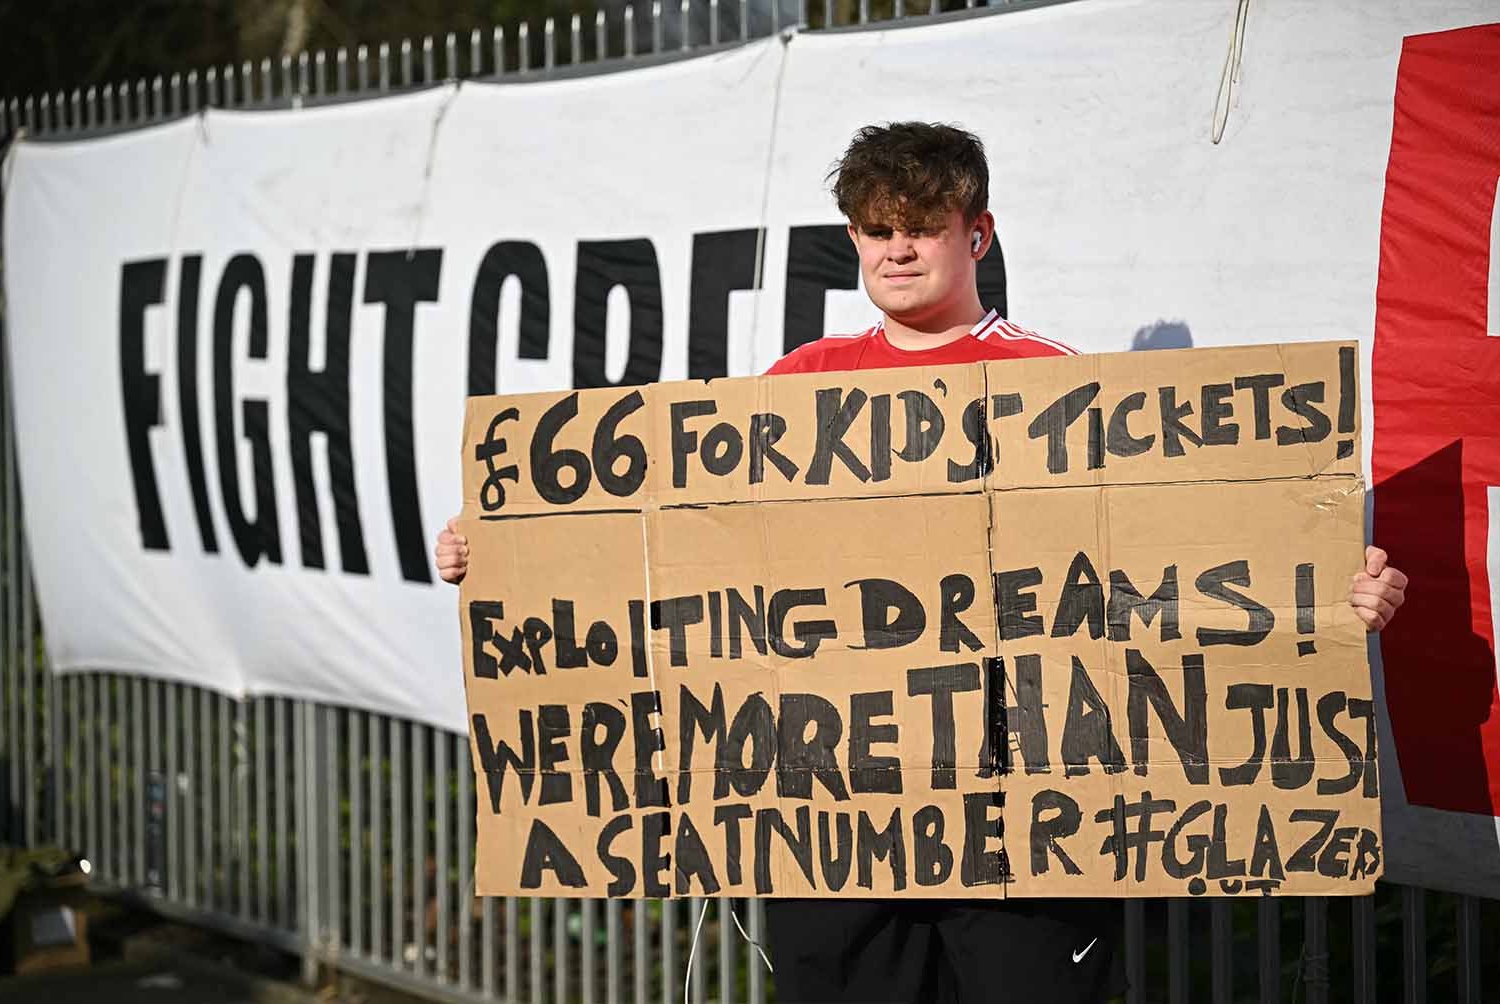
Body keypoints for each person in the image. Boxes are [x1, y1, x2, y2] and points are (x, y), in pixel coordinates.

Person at [434, 122, 1409, 1003]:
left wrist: (1328, 585)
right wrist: (506, 552)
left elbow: (1170, 555)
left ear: (975, 234)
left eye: (921, 226)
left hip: (1024, 815)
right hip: (834, 810)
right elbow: (677, 541)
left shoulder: (1054, 382)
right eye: (874, 227)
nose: (896, 247)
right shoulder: (796, 386)